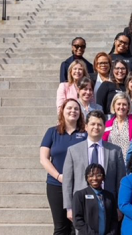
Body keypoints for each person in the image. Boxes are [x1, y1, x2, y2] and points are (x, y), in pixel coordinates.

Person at [62, 110, 126, 223]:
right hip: (82, 204)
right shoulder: (73, 150)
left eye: (99, 124)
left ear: (104, 127)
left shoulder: (115, 151)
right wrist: (69, 208)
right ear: (86, 127)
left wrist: (119, 207)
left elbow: (120, 181)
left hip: (108, 204)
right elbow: (68, 181)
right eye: (93, 124)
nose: (96, 127)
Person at [40, 98, 87, 234]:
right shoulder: (52, 132)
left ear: (80, 113)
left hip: (79, 186)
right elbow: (44, 158)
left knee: (76, 227)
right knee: (61, 227)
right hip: (56, 185)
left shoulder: (85, 133)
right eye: (69, 108)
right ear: (62, 111)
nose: (73, 111)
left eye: (76, 109)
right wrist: (59, 176)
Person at [72, 164, 118, 235]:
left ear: (103, 177)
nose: (94, 178)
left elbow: (114, 219)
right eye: (91, 175)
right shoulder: (80, 195)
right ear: (86, 178)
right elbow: (77, 221)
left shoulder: (109, 196)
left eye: (98, 175)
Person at [103, 92, 132, 161]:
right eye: (118, 104)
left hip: (130, 163)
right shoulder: (108, 124)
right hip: (112, 162)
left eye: (124, 104)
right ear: (114, 106)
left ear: (128, 107)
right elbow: (104, 143)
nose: (121, 107)